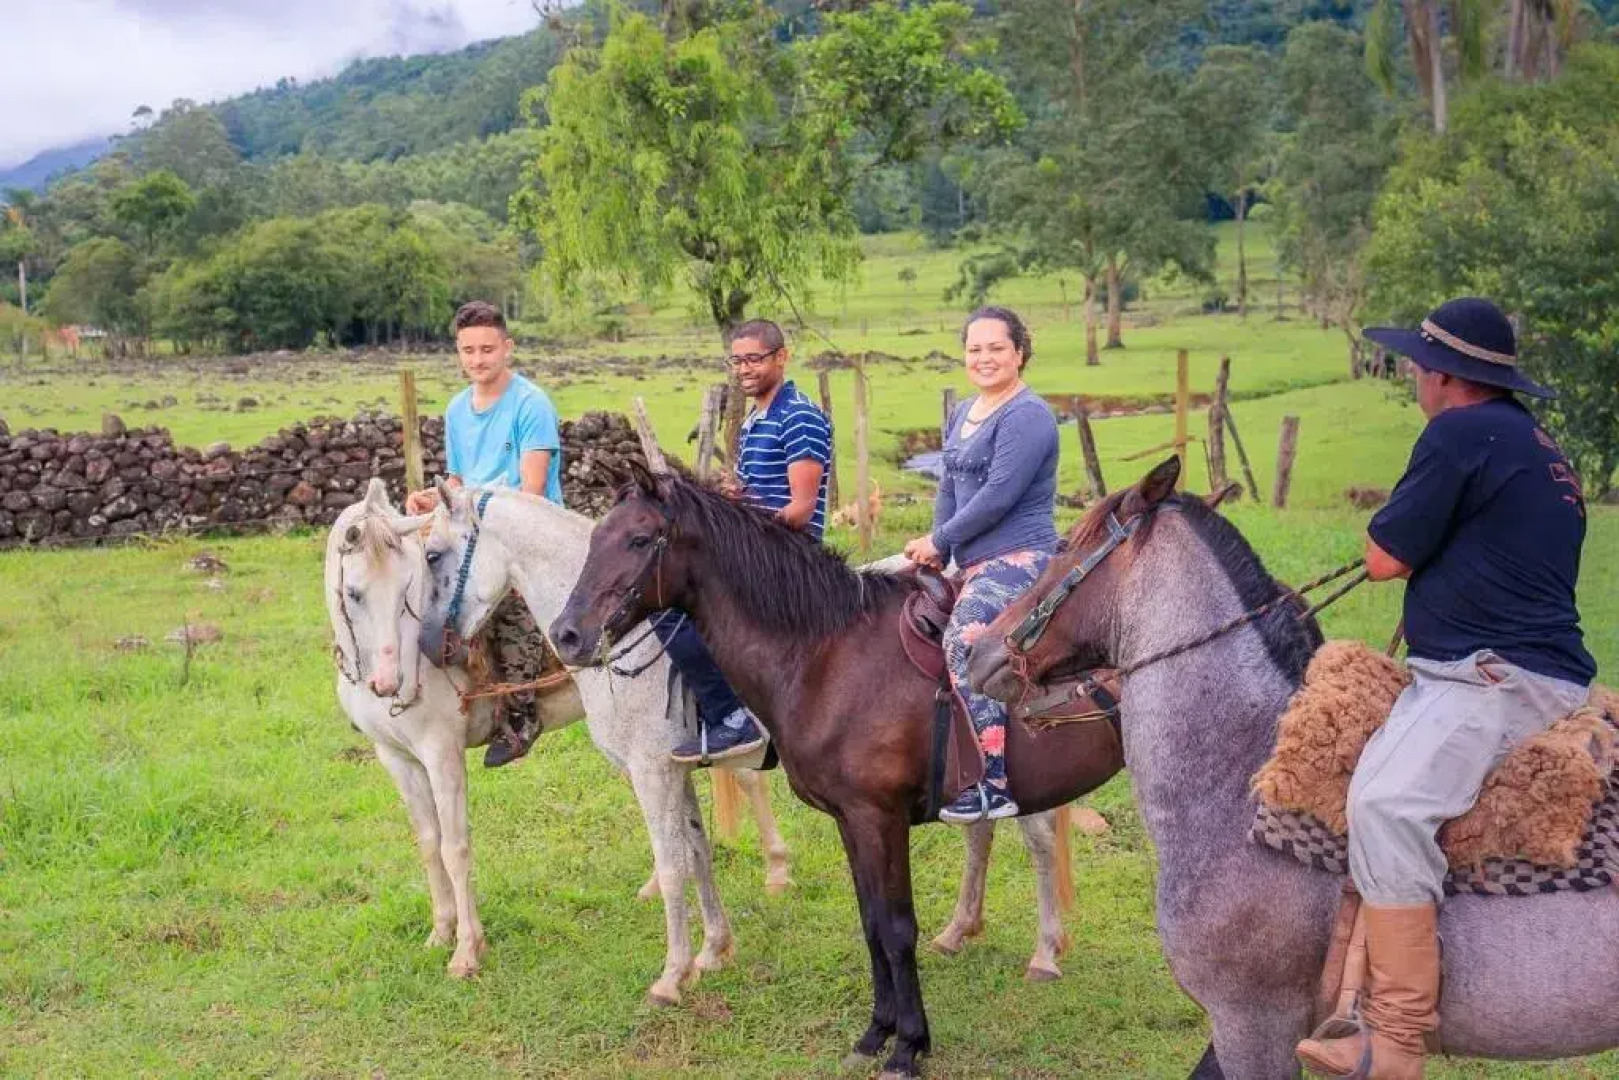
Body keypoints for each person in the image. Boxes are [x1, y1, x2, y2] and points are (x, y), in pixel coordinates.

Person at [1296, 298, 1595, 1079]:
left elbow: (1383, 558)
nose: (1412, 379)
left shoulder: (1457, 432)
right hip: (1505, 666)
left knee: (1383, 805)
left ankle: (1392, 1039)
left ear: (1440, 375)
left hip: (1491, 678)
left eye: (1415, 367)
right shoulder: (1533, 441)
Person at [903, 306, 1059, 824]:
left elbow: (998, 496)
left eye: (996, 348)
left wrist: (941, 538)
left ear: (1019, 352)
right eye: (975, 349)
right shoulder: (964, 410)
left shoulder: (1028, 414)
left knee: (964, 637)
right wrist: (939, 551)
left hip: (1020, 556)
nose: (985, 358)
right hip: (967, 559)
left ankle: (990, 781)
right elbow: (948, 486)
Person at [662, 318, 832, 763]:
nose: (744, 369)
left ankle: (731, 717)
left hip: (789, 556)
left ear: (781, 357)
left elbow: (800, 508)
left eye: (754, 359)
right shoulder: (758, 417)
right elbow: (765, 494)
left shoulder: (799, 417)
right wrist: (739, 497)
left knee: (673, 616)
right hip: (763, 547)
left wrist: (740, 532)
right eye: (736, 361)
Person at [405, 300, 564, 768]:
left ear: (507, 348)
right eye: (469, 350)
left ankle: (521, 711)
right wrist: (434, 499)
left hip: (525, 530)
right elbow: (459, 480)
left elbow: (531, 488)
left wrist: (465, 504)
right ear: (458, 352)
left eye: (487, 349)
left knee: (503, 600)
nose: (478, 360)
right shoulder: (457, 409)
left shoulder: (532, 404)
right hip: (471, 529)